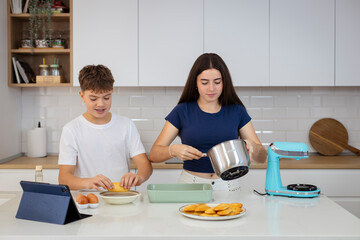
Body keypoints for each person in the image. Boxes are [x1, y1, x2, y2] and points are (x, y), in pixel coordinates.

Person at [149, 53, 267, 191]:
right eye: (204, 82)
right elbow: (153, 154)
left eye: (217, 82)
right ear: (195, 83)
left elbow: (262, 157)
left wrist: (253, 146)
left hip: (228, 186)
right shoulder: (182, 111)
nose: (211, 88)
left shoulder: (237, 111)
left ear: (224, 82)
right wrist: (173, 150)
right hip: (190, 186)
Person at [58, 65, 152, 190]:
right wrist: (89, 182)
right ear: (82, 96)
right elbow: (64, 178)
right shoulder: (71, 130)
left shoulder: (126, 125)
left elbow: (145, 165)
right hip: (88, 201)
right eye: (93, 98)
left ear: (112, 93)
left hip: (120, 198)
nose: (101, 104)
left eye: (106, 97)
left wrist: (139, 177)